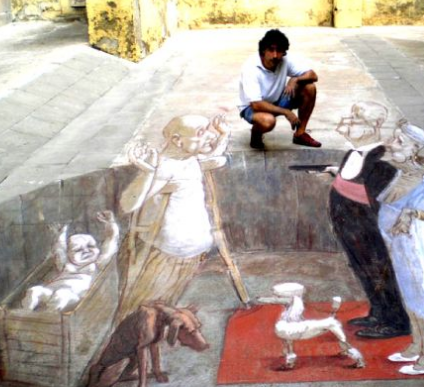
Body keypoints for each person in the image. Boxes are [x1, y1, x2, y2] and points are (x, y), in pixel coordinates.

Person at [116, 114, 230, 321]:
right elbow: (128, 204)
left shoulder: (185, 159)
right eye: (201, 132)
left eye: (209, 130)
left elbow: (216, 158)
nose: (211, 135)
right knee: (147, 304)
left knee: (150, 303)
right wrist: (148, 171)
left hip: (178, 249)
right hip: (184, 248)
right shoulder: (168, 166)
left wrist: (224, 136)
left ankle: (145, 320)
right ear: (178, 140)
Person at [325, 102, 411, 339]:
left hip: (368, 229)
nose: (348, 124)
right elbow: (353, 181)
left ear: (375, 125)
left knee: (378, 272)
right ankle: (378, 312)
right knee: (362, 270)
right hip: (348, 228)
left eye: (355, 120)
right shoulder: (352, 154)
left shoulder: (381, 162)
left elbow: (377, 200)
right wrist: (337, 174)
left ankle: (396, 322)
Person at [378, 121, 424, 375]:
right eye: (393, 138)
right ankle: (418, 344)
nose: (391, 144)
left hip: (414, 246)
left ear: (414, 149)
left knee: (419, 297)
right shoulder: (400, 172)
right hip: (397, 245)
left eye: (399, 141)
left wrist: (414, 213)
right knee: (408, 295)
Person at [238, 29, 321, 150]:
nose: (275, 55)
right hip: (251, 108)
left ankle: (300, 133)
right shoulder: (250, 67)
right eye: (271, 50)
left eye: (279, 51)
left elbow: (313, 75)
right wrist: (286, 112)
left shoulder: (284, 59)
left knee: (309, 87)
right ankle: (256, 132)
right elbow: (256, 104)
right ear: (263, 50)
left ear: (284, 52)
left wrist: (296, 79)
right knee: (268, 121)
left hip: (277, 100)